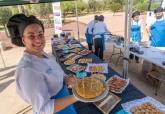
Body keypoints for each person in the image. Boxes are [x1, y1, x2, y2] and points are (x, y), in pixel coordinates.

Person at [7, 14, 78, 114]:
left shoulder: (44, 54)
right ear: (23, 40)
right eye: (31, 36)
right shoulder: (27, 70)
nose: (38, 40)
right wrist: (78, 96)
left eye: (40, 34)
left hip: (65, 100)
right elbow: (42, 109)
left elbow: (55, 72)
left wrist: (66, 78)